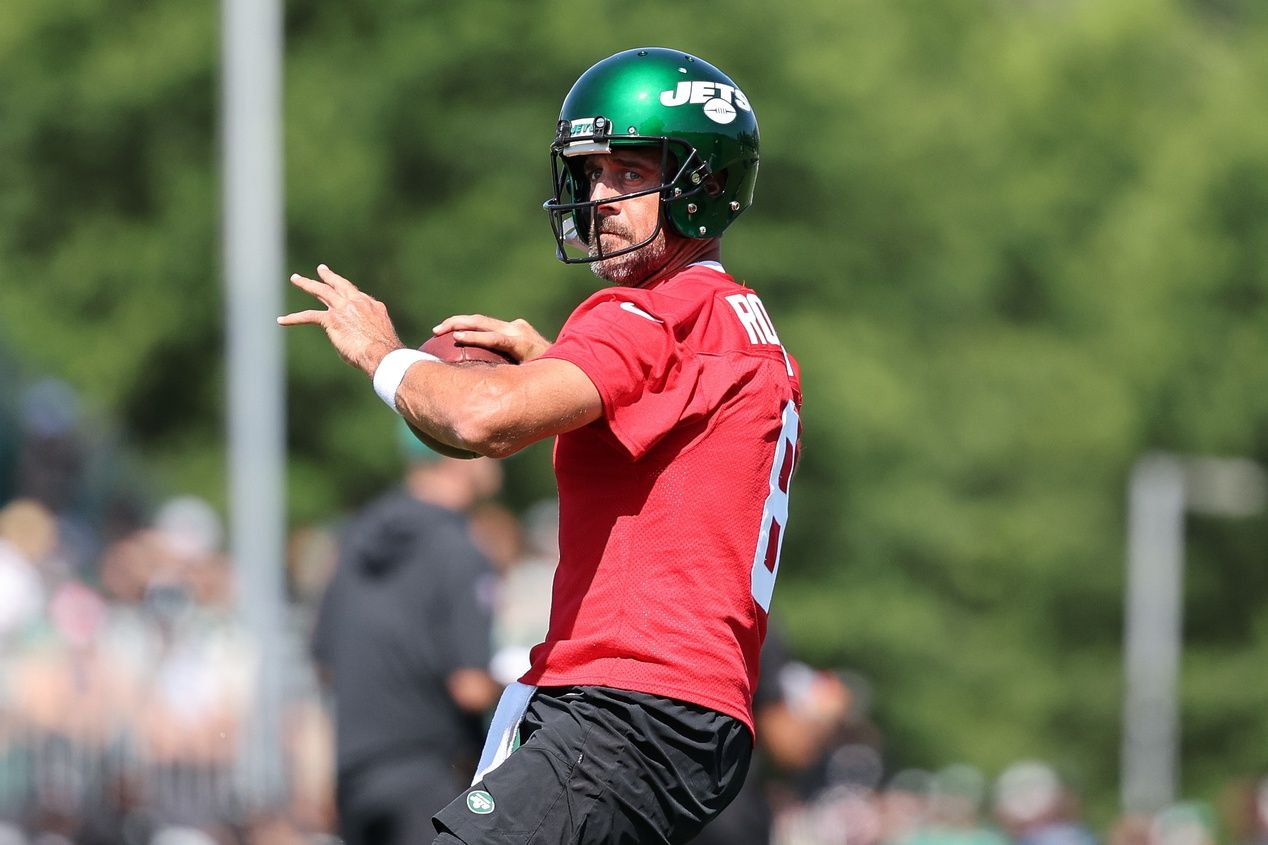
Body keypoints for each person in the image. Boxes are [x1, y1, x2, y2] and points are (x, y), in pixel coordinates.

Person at [281, 46, 802, 845]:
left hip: (630, 702)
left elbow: (481, 420)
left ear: (704, 181)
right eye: (591, 175)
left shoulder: (651, 314)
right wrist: (561, 362)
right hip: (685, 710)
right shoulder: (736, 324)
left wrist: (384, 357)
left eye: (629, 173)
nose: (599, 198)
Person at [311, 439, 502, 845]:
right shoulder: (459, 550)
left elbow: (326, 667)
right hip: (430, 776)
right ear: (459, 452)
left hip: (355, 774)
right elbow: (471, 687)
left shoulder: (355, 542)